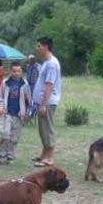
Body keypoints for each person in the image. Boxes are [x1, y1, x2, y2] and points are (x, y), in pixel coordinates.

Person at [31, 36, 62, 167]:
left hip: (47, 103)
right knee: (42, 129)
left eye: (39, 46)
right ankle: (44, 154)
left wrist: (43, 104)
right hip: (42, 102)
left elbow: (49, 85)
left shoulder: (52, 64)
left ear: (46, 47)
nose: (37, 49)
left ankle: (49, 158)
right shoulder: (46, 62)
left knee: (47, 129)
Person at [0, 61, 31, 164]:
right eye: (14, 71)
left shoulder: (24, 84)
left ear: (21, 72)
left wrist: (27, 113)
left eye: (18, 71)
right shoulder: (5, 83)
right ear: (10, 71)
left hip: (19, 114)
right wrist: (1, 106)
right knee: (5, 133)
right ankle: (2, 153)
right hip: (7, 113)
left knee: (14, 136)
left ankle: (11, 154)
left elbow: (29, 100)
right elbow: (0, 96)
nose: (16, 73)